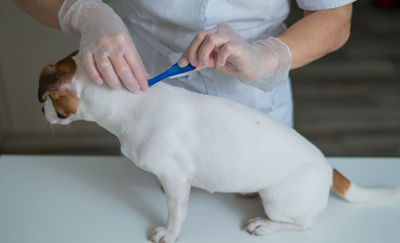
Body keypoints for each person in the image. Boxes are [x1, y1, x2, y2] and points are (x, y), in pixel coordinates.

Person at [14, 0, 354, 127]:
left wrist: (267, 57)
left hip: (254, 102)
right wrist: (86, 13)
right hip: (145, 93)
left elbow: (335, 17)